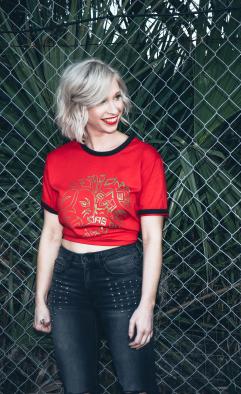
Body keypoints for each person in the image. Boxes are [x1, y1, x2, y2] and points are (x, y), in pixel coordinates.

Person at [33, 58, 168, 394]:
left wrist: (146, 305)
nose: (114, 108)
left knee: (136, 386)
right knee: (77, 388)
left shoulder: (144, 157)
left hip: (120, 274)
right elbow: (51, 234)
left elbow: (152, 238)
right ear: (79, 105)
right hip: (67, 281)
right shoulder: (58, 161)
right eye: (101, 100)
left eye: (117, 97)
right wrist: (40, 298)